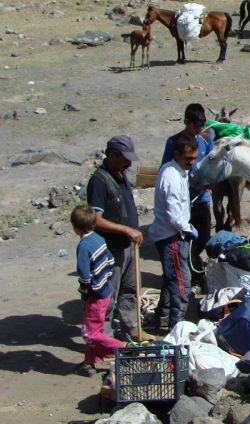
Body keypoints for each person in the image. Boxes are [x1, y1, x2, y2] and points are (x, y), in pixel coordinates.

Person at [86, 135, 152, 342]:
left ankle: (131, 329)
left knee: (130, 291)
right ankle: (102, 339)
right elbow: (95, 220)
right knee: (107, 295)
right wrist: (125, 230)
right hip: (110, 248)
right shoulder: (99, 181)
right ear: (112, 155)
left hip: (128, 246)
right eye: (125, 158)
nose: (130, 163)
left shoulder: (121, 175)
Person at [161, 103, 214, 291]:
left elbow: (210, 165)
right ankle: (197, 277)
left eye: (201, 126)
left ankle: (190, 268)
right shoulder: (173, 142)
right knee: (187, 240)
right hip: (182, 203)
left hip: (202, 198)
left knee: (204, 237)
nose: (199, 130)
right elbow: (166, 169)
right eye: (196, 126)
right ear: (186, 122)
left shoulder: (206, 140)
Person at [150, 133, 199, 331]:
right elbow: (173, 215)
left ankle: (161, 318)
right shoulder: (171, 176)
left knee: (170, 280)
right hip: (172, 236)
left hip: (173, 233)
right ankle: (176, 328)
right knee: (181, 285)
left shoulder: (178, 170)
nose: (192, 163)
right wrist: (187, 229)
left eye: (194, 158)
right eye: (188, 159)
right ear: (177, 154)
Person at [71, 205, 126, 376]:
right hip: (106, 289)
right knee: (94, 327)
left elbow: (83, 272)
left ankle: (123, 348)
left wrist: (85, 289)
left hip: (95, 294)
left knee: (90, 332)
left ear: (75, 227)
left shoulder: (84, 246)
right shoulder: (99, 239)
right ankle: (90, 362)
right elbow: (110, 260)